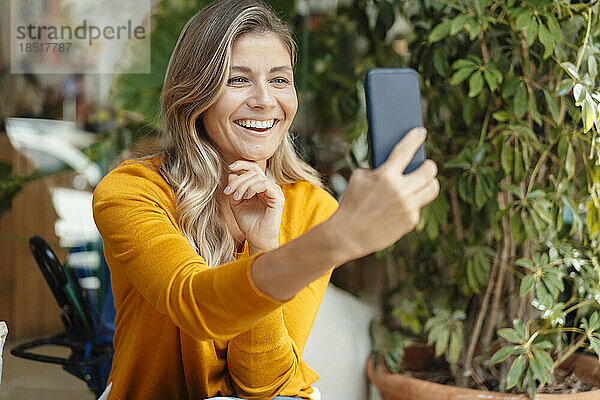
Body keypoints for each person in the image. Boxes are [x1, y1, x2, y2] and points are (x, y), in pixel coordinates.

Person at [92, 0, 439, 399]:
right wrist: (338, 239)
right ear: (195, 95)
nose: (264, 100)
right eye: (238, 80)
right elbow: (195, 305)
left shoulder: (311, 207)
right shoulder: (132, 191)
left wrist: (262, 247)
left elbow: (261, 383)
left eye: (279, 79)